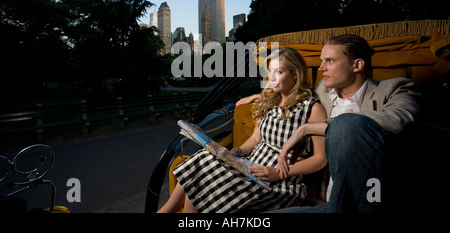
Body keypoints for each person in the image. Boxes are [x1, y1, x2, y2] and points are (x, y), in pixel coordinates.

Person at [238, 34, 422, 213]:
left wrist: (307, 129)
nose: (321, 68)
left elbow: (399, 120)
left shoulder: (395, 89)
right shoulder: (322, 91)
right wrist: (264, 96)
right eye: (321, 60)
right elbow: (293, 93)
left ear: (357, 64)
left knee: (346, 126)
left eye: (330, 61)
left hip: (370, 198)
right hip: (325, 200)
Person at [157, 47, 328, 213]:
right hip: (251, 166)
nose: (271, 77)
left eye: (279, 72)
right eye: (270, 71)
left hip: (279, 181)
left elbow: (320, 159)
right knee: (204, 157)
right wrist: (235, 152)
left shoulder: (312, 109)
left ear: (295, 75)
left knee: (196, 197)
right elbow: (255, 139)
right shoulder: (270, 102)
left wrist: (277, 173)